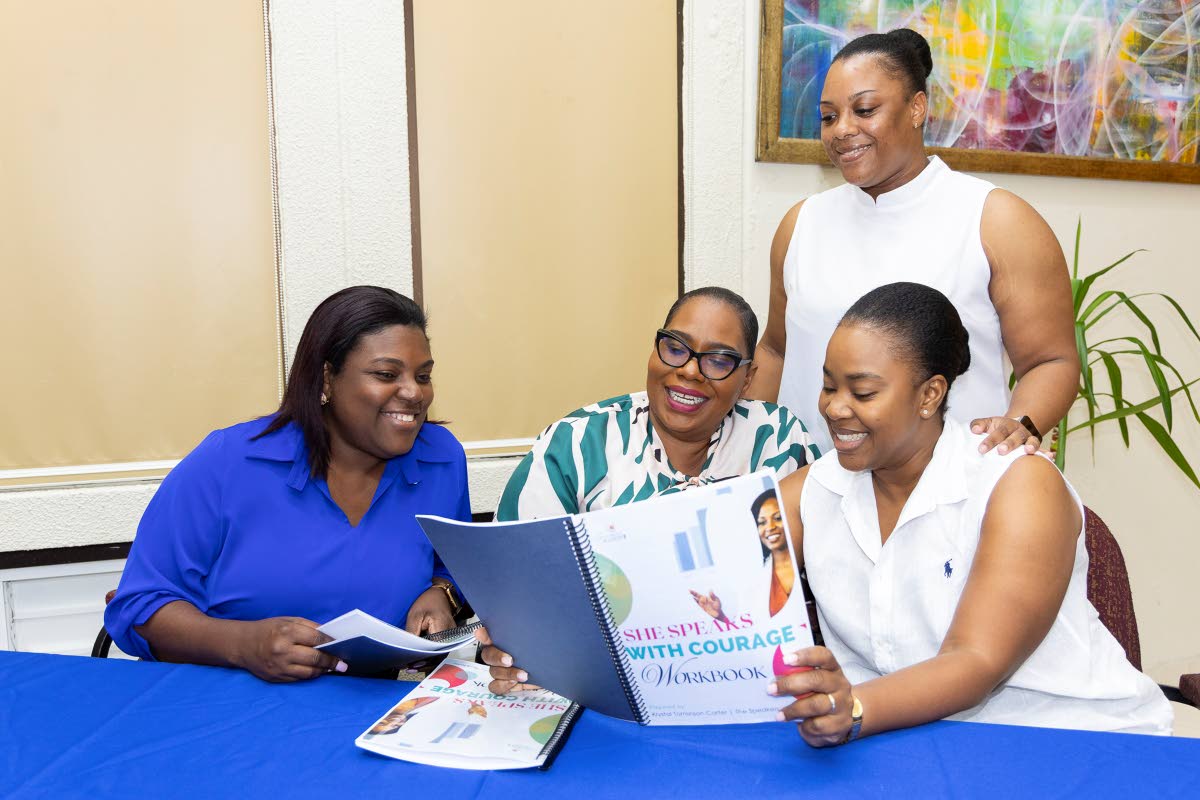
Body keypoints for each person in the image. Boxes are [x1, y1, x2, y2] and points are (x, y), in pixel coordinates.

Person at [769, 282, 1171, 745]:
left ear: (930, 395)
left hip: (1069, 737)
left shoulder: (1017, 483)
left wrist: (855, 708)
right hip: (901, 741)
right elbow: (719, 570)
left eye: (862, 392)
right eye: (827, 386)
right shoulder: (813, 492)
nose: (835, 408)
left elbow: (976, 660)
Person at [104, 286, 471, 682]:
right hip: (223, 710)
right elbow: (138, 607)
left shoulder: (440, 459)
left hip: (363, 714)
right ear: (327, 378)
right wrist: (244, 645)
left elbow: (455, 567)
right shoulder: (230, 461)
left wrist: (441, 594)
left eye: (424, 376)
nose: (415, 393)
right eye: (386, 374)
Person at [747, 28, 1079, 458]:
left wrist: (1020, 425)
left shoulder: (994, 219)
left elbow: (1051, 362)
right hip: (812, 491)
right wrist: (741, 446)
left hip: (948, 494)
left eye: (864, 109)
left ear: (917, 107)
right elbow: (775, 350)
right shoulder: (801, 223)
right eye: (829, 116)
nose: (842, 130)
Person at [495, 286, 819, 521]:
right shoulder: (575, 446)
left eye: (718, 360)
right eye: (676, 349)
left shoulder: (779, 441)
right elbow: (512, 575)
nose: (690, 371)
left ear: (747, 379)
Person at [690, 489, 796, 622]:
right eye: (763, 522)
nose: (771, 527)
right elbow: (751, 629)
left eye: (777, 518)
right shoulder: (747, 581)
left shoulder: (792, 567)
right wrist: (720, 616)